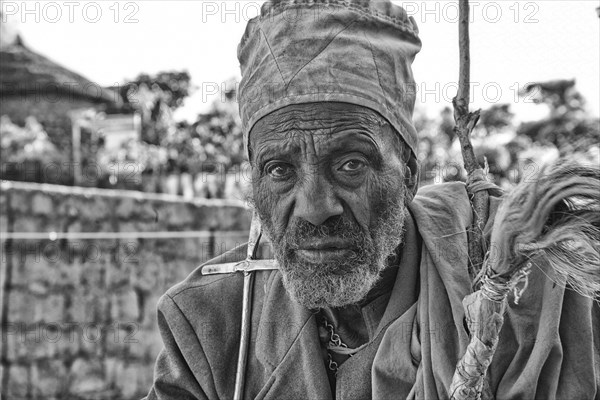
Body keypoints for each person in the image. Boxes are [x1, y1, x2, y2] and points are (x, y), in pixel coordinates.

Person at [146, 1, 599, 399]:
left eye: (350, 165)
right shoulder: (208, 324)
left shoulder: (527, 276)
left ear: (408, 176)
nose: (315, 207)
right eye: (280, 170)